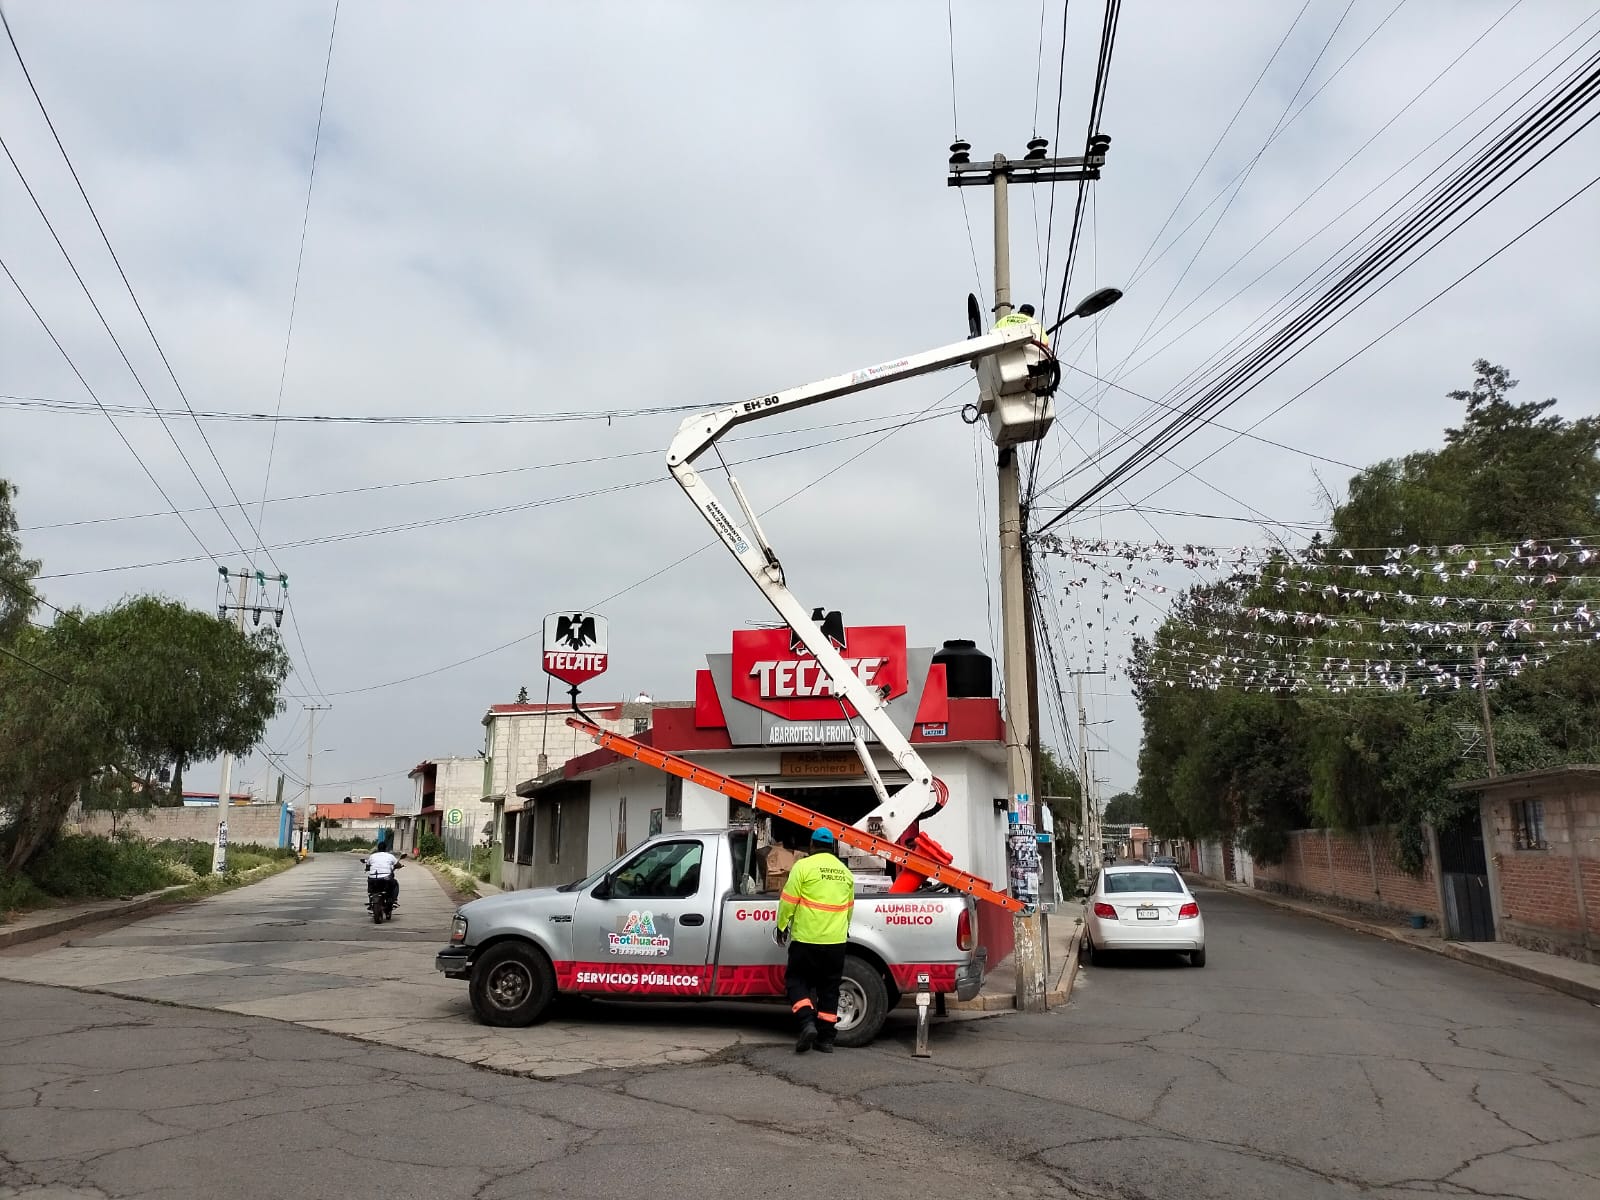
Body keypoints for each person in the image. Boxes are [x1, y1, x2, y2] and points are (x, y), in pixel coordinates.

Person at [775, 828, 855, 1054]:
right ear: (832, 847)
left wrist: (782, 926)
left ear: (812, 845)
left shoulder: (803, 866)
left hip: (807, 939)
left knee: (796, 981)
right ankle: (827, 1040)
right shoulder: (845, 872)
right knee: (829, 989)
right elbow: (849, 909)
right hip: (836, 942)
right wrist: (844, 930)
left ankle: (806, 1022)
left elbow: (788, 900)